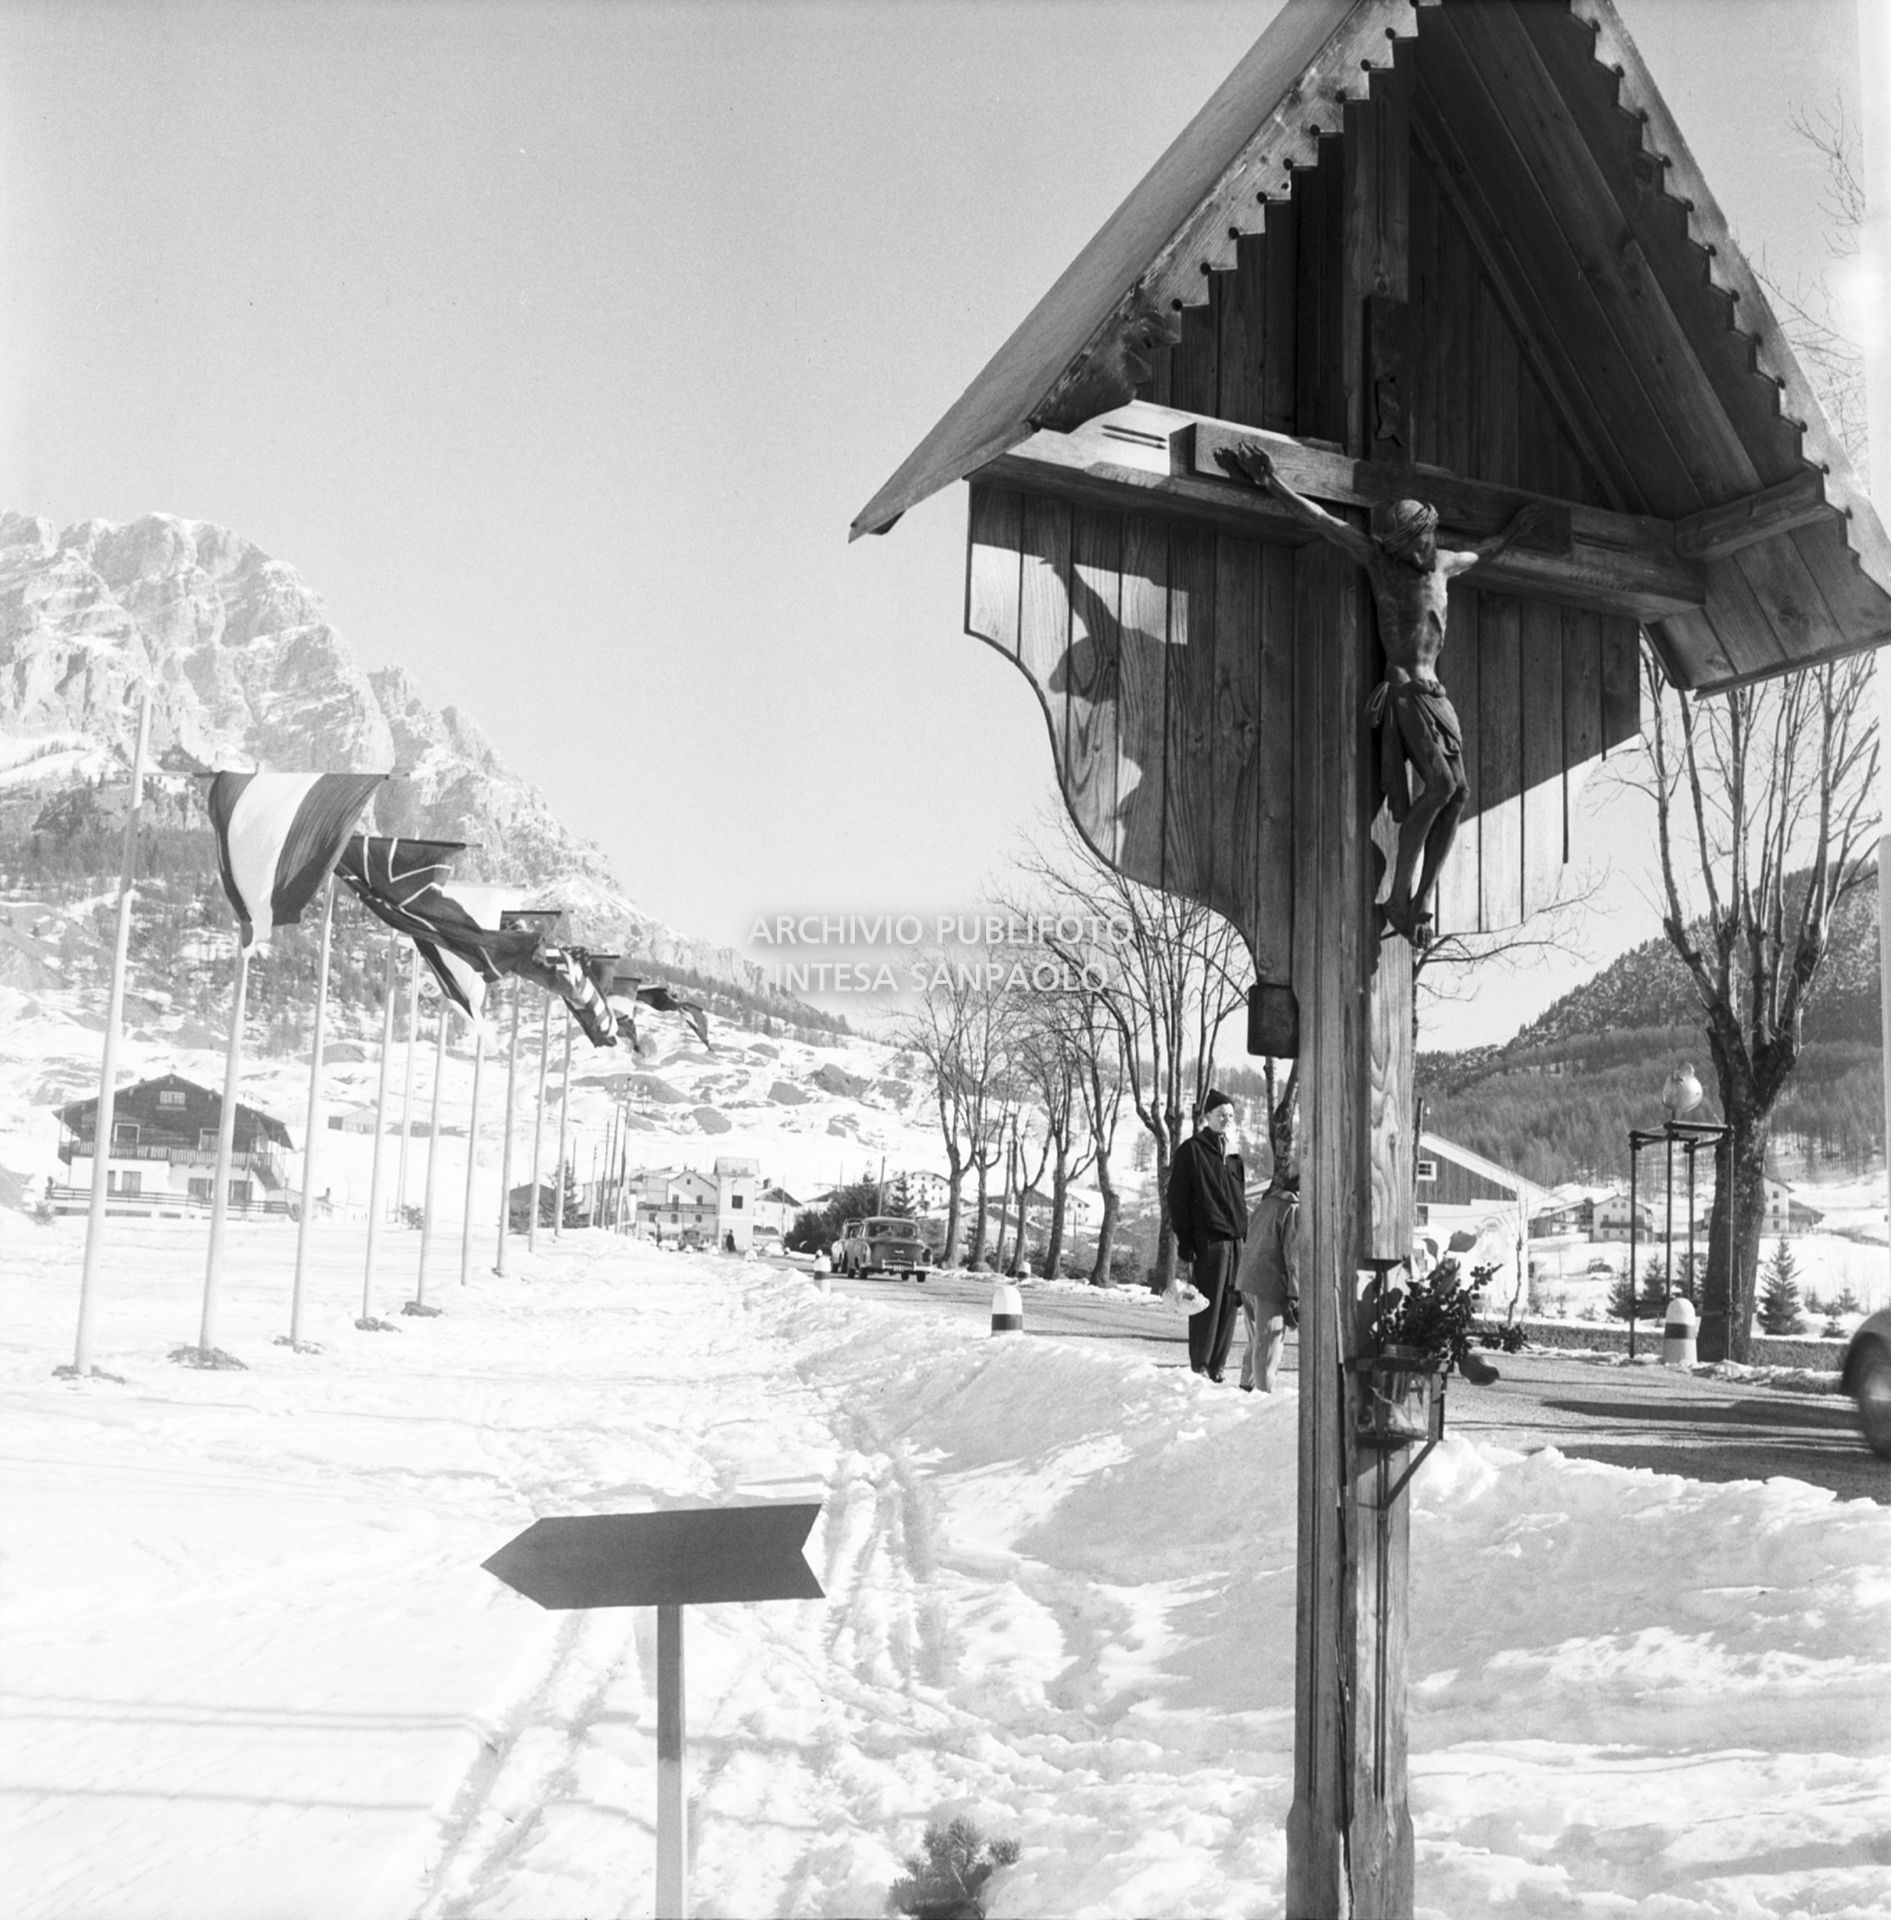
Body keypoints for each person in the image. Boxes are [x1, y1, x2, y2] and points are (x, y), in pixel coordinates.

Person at [1216, 440, 1552, 947]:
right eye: (1415, 543)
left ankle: (1421, 900)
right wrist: (1272, 482)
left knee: (1459, 795)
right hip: (1404, 691)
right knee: (1438, 787)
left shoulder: (1442, 565)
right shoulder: (1380, 564)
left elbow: (1484, 552)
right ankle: (1399, 894)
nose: (1424, 549)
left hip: (1436, 693)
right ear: (1396, 545)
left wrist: (1515, 531)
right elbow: (1323, 523)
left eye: (1427, 538)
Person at [1167, 1090, 1247, 1380]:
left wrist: (1244, 1235)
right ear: (1207, 1117)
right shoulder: (1191, 1150)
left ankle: (1218, 1365)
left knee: (1229, 1304)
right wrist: (1186, 1242)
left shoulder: (1234, 1153)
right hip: (1209, 1240)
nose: (1225, 1120)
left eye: (1229, 1115)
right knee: (1206, 1302)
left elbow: (1239, 1196)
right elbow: (1177, 1199)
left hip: (1235, 1239)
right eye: (1220, 1115)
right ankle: (1200, 1363)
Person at [1235, 1160, 1299, 1393]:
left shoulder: (1267, 1204)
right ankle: (1263, 1396)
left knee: (1255, 1343)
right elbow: (1294, 1257)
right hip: (1271, 1284)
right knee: (1269, 1348)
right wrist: (1296, 1294)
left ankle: (1245, 1389)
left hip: (1249, 1280)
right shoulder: (1294, 1208)